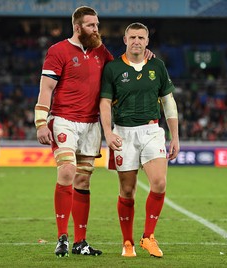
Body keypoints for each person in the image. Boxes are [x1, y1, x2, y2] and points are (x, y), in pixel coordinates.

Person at [34, 6, 154, 258]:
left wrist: (142, 56)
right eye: (91, 25)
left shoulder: (101, 52)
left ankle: (80, 242)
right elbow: (46, 88)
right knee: (67, 170)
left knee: (83, 180)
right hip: (64, 120)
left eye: (97, 24)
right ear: (77, 27)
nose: (96, 29)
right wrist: (41, 122)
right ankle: (62, 238)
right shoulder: (58, 51)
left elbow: (121, 70)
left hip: (91, 124)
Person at [99, 22, 180, 258]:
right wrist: (108, 131)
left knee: (159, 183)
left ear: (147, 41)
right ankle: (127, 242)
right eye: (132, 37)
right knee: (127, 190)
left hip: (152, 131)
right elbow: (104, 102)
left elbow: (168, 101)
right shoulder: (112, 68)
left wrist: (175, 136)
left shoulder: (158, 66)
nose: (136, 41)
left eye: (141, 37)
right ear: (125, 40)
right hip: (123, 133)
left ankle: (148, 237)